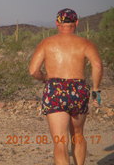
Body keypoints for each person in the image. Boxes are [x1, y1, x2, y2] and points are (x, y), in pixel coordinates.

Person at [29, 8, 103, 165]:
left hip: (55, 89)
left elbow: (33, 71)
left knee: (60, 141)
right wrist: (96, 89)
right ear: (76, 23)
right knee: (78, 134)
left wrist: (45, 78)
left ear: (57, 23)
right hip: (78, 89)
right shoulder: (86, 43)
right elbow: (97, 65)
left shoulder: (46, 43)